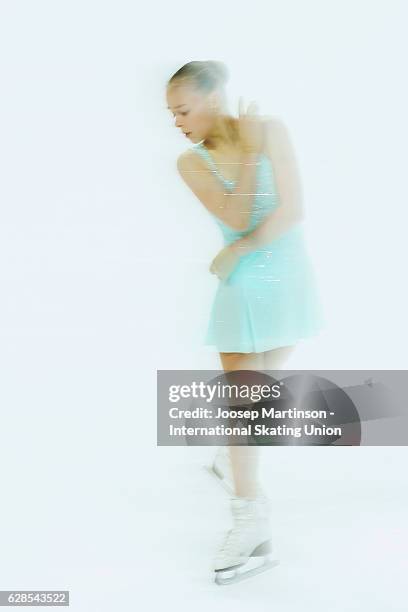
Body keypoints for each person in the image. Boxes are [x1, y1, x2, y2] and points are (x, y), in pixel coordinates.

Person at [166, 60, 323, 585]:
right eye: (172, 113)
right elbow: (235, 215)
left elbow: (292, 208)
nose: (177, 121)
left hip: (287, 275)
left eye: (183, 109)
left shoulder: (271, 129)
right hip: (242, 287)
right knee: (246, 404)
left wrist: (245, 249)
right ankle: (251, 520)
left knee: (257, 399)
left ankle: (230, 461)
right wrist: (252, 157)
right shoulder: (190, 162)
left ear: (213, 97)